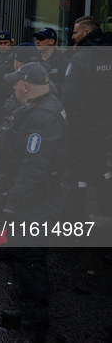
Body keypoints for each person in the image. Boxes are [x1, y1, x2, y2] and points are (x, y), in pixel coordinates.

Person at [0, 62, 68, 342]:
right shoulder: (42, 106)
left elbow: (34, 167)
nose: (13, 87)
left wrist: (12, 201)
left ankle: (33, 327)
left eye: (16, 83)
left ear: (25, 85)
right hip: (34, 198)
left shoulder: (44, 116)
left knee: (31, 263)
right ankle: (28, 312)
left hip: (36, 202)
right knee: (25, 261)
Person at [62, 16, 112, 220]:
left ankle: (73, 218)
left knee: (77, 172)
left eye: (76, 32)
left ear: (87, 33)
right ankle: (107, 212)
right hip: (106, 128)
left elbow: (69, 97)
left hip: (84, 128)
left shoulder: (80, 58)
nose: (73, 37)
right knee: (103, 171)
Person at [33, 27, 69, 94]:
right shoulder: (33, 61)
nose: (37, 41)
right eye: (37, 38)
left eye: (41, 38)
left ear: (52, 41)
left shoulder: (63, 62)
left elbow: (67, 87)